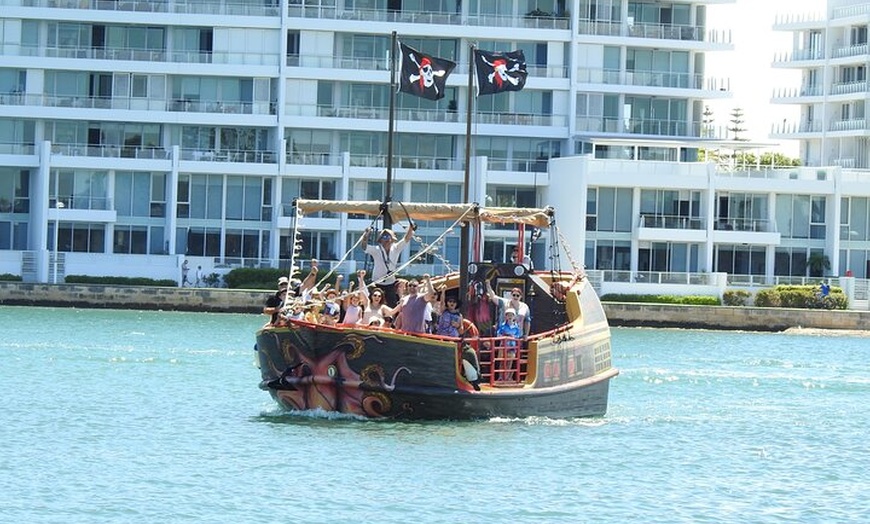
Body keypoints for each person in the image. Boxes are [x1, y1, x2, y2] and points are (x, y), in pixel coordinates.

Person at [360, 225, 415, 307]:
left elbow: (406, 238)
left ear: (392, 240)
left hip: (391, 282)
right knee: (374, 304)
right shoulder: (376, 249)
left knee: (392, 304)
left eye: (388, 237)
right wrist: (366, 235)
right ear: (380, 240)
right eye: (384, 237)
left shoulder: (396, 248)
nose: (386, 240)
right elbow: (364, 247)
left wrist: (411, 228)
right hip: (377, 282)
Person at [495, 308, 523, 381]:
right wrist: (504, 336)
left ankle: (507, 377)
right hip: (503, 346)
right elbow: (498, 334)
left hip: (512, 347)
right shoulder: (503, 326)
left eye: (511, 315)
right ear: (506, 317)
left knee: (509, 362)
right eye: (508, 315)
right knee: (502, 362)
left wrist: (512, 337)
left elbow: (518, 336)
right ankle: (500, 377)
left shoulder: (516, 327)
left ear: (514, 317)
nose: (510, 317)